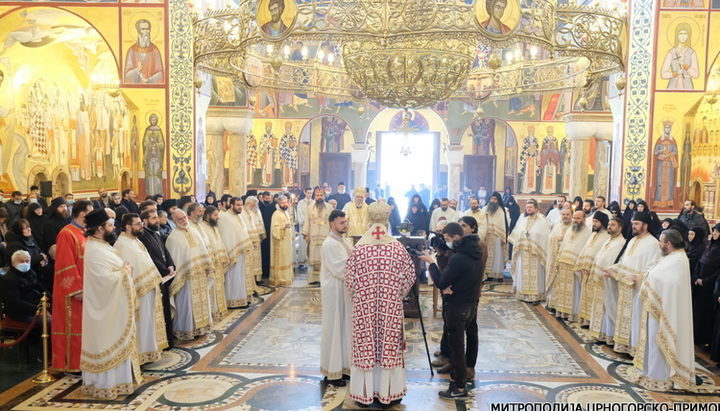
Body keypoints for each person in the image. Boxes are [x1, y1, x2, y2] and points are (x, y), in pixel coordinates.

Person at [345, 202, 416, 406]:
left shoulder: (358, 250)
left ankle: (365, 394)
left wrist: (361, 293)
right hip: (389, 309)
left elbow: (349, 280)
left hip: (364, 310)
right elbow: (409, 277)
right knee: (388, 345)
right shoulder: (397, 248)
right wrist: (396, 292)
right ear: (386, 221)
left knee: (366, 345)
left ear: (369, 221)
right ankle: (389, 394)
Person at [79, 209, 141, 398]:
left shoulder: (102, 246)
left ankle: (120, 381)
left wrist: (123, 270)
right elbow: (105, 280)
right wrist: (124, 271)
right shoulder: (94, 250)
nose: (113, 227)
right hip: (104, 309)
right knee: (106, 342)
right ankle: (107, 384)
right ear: (99, 228)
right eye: (109, 224)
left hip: (110, 305)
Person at [420, 221, 483, 400]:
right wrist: (451, 284)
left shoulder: (458, 258)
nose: (446, 242)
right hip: (470, 304)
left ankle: (460, 388)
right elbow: (465, 277)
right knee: (458, 346)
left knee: (456, 349)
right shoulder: (474, 252)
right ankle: (456, 383)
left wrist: (431, 263)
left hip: (457, 307)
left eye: (447, 239)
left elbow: (440, 281)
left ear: (456, 237)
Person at [627, 229, 695, 391]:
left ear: (669, 244)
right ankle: (649, 372)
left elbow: (669, 283)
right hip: (657, 308)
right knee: (652, 341)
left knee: (658, 341)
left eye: (661, 241)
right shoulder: (671, 257)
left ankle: (659, 377)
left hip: (665, 311)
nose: (659, 243)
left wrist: (647, 280)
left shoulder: (678, 260)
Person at [603, 212, 662, 355]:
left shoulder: (653, 243)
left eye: (636, 223)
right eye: (633, 223)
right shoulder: (632, 241)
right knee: (624, 317)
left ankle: (635, 349)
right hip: (625, 288)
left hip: (638, 290)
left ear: (645, 225)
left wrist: (640, 278)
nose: (633, 226)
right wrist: (613, 270)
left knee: (636, 319)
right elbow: (624, 262)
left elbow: (653, 268)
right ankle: (624, 345)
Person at [114, 212, 168, 364]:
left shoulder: (134, 240)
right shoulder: (123, 244)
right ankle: (142, 354)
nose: (142, 226)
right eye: (138, 224)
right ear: (128, 226)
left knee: (148, 322)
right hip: (139, 291)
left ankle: (149, 352)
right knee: (142, 323)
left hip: (148, 288)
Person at [51, 199, 92, 373]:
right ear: (83, 214)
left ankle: (84, 361)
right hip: (74, 292)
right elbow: (65, 264)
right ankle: (72, 365)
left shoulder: (83, 232)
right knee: (74, 326)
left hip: (87, 288)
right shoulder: (66, 234)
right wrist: (77, 289)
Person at [165, 209, 214, 340]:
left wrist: (207, 268)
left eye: (185, 217)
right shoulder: (173, 238)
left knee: (202, 302)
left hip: (199, 275)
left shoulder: (194, 231)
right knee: (187, 303)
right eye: (180, 219)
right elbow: (175, 260)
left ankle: (201, 328)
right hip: (185, 279)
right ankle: (187, 330)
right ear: (174, 222)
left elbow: (203, 250)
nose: (184, 220)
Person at [320, 209, 353, 386]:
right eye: (342, 223)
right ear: (332, 223)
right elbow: (342, 268)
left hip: (344, 290)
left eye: (346, 222)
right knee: (335, 329)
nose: (345, 225)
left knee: (344, 329)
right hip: (335, 291)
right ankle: (332, 373)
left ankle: (344, 367)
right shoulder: (329, 244)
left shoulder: (344, 240)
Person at [137, 209, 176, 347]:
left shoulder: (155, 233)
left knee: (165, 310)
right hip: (157, 277)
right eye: (153, 218)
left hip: (163, 276)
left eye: (157, 217)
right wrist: (164, 270)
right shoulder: (143, 237)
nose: (157, 220)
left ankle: (167, 341)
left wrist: (171, 265)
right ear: (145, 221)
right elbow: (151, 258)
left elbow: (165, 251)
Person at [587, 217, 626, 344]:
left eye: (613, 225)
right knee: (600, 307)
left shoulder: (621, 243)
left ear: (620, 228)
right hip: (600, 280)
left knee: (608, 307)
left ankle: (609, 335)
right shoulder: (609, 240)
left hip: (609, 281)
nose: (609, 226)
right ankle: (599, 333)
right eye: (609, 224)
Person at [549, 211, 592, 321]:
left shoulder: (588, 232)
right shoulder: (570, 230)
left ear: (584, 219)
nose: (576, 220)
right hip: (564, 264)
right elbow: (563, 245)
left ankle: (573, 313)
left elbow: (585, 249)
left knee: (574, 290)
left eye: (578, 218)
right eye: (574, 218)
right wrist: (558, 259)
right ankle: (562, 311)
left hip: (575, 266)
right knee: (563, 289)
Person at [508, 199, 550, 302]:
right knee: (523, 273)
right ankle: (523, 294)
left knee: (536, 275)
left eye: (531, 207)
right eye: (527, 207)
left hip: (536, 254)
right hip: (523, 252)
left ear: (536, 208)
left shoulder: (542, 220)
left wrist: (532, 239)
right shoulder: (523, 219)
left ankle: (536, 296)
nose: (528, 209)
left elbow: (544, 236)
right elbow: (517, 233)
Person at [577, 213, 611, 324]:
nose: (594, 224)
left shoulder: (606, 236)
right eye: (594, 221)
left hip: (594, 271)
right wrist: (583, 265)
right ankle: (585, 320)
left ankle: (592, 321)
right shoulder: (592, 235)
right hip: (586, 270)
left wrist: (591, 268)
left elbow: (600, 254)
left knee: (594, 298)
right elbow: (585, 250)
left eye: (597, 222)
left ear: (603, 222)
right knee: (586, 297)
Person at [218, 197, 252, 307]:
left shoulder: (240, 217)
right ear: (231, 205)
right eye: (237, 205)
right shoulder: (225, 218)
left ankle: (242, 299)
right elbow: (225, 236)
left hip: (242, 252)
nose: (239, 207)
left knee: (241, 276)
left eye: (241, 205)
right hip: (233, 253)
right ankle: (233, 301)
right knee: (234, 277)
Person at [0, 250, 51, 323]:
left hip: (37, 305)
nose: (25, 263)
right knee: (51, 321)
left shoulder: (30, 272)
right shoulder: (9, 279)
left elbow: (40, 288)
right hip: (20, 312)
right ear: (13, 263)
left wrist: (53, 299)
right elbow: (15, 303)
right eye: (21, 261)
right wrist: (38, 310)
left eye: (27, 261)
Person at [199, 206, 230, 319]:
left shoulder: (214, 228)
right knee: (211, 288)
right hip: (211, 264)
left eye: (218, 215)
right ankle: (212, 311)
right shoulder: (202, 228)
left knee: (219, 286)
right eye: (215, 215)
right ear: (207, 215)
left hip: (218, 262)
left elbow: (219, 243)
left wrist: (222, 259)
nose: (217, 218)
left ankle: (219, 309)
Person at [692, 224, 720, 346]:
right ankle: (696, 337)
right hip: (700, 286)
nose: (714, 233)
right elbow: (699, 262)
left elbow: (718, 272)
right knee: (698, 312)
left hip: (710, 288)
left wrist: (706, 281)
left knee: (707, 315)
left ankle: (704, 339)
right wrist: (697, 277)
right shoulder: (710, 247)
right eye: (713, 231)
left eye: (717, 232)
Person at [302, 187, 332, 284]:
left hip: (325, 237)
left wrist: (332, 236)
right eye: (317, 195)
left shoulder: (329, 207)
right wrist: (306, 235)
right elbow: (307, 221)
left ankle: (323, 278)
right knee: (313, 256)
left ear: (324, 196)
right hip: (313, 236)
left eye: (321, 195)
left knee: (324, 256)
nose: (319, 197)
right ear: (315, 196)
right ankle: (313, 279)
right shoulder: (310, 207)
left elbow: (332, 223)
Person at [545, 208, 572, 311]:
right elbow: (549, 238)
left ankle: (563, 306)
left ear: (571, 216)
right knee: (555, 281)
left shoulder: (574, 228)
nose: (565, 216)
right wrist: (558, 238)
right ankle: (553, 304)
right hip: (555, 258)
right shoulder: (557, 227)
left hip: (567, 260)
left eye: (567, 214)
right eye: (563, 214)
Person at [124, 19, 164, 84]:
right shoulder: (132, 50)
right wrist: (137, 69)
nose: (145, 32)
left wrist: (149, 79)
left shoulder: (155, 50)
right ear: (138, 31)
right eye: (143, 29)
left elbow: (161, 73)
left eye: (147, 29)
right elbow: (126, 76)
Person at [484, 192, 508, 281]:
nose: (493, 201)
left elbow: (503, 225)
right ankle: (488, 274)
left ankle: (498, 274)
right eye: (492, 198)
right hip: (486, 236)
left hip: (498, 236)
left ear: (498, 201)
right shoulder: (484, 209)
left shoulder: (500, 211)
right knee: (487, 255)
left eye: (495, 199)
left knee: (497, 255)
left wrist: (503, 237)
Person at [270, 195, 294, 286]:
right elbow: (274, 229)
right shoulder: (276, 214)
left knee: (287, 258)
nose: (285, 204)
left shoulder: (286, 213)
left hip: (286, 241)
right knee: (281, 258)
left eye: (285, 202)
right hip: (280, 242)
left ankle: (287, 277)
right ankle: (280, 278)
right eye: (282, 203)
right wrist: (284, 227)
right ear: (278, 204)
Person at [241, 196, 265, 283]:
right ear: (247, 204)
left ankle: (255, 280)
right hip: (247, 241)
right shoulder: (241, 213)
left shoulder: (250, 212)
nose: (253, 208)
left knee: (255, 260)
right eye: (252, 205)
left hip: (255, 240)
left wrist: (259, 236)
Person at [296, 188, 313, 268]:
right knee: (303, 243)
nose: (309, 194)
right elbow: (300, 214)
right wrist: (305, 223)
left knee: (311, 243)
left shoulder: (314, 202)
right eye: (308, 193)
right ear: (305, 192)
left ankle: (310, 259)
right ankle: (302, 261)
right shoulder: (301, 203)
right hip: (303, 226)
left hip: (312, 226)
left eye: (311, 193)